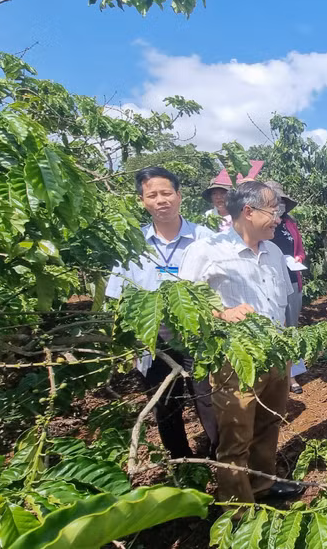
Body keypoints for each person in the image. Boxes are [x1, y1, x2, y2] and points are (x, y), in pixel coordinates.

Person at [178, 181, 300, 503]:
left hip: (275, 356)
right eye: (274, 210)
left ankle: (261, 486)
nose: (278, 217)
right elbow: (184, 305)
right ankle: (238, 511)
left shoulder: (274, 251)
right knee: (236, 438)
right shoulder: (207, 251)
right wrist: (221, 314)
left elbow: (282, 303)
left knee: (268, 425)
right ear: (248, 211)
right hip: (236, 362)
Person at [105, 166, 219, 460]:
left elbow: (221, 287)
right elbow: (120, 296)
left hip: (199, 336)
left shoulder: (206, 239)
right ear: (142, 201)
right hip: (154, 341)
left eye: (166, 193)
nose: (161, 200)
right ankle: (180, 459)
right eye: (152, 195)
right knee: (164, 403)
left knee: (208, 398)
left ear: (179, 196)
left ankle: (221, 456)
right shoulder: (131, 246)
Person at [264, 179, 308, 394]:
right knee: (271, 327)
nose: (277, 206)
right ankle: (273, 374)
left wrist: (298, 258)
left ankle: (291, 375)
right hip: (269, 281)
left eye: (279, 201)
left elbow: (299, 249)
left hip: (291, 279)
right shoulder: (259, 227)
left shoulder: (290, 224)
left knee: (290, 327)